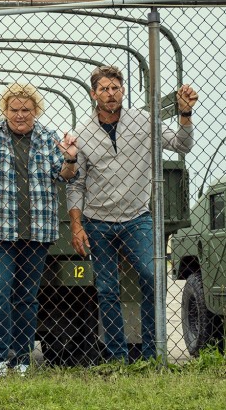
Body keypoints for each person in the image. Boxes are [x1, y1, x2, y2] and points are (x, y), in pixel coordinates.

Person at [67, 65, 198, 362]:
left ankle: (151, 355)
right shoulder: (82, 134)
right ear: (94, 94)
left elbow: (182, 144)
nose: (110, 94)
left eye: (115, 88)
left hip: (137, 217)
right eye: (104, 89)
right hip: (97, 220)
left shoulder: (144, 121)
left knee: (152, 277)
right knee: (107, 289)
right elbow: (75, 185)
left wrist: (185, 113)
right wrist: (76, 225)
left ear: (123, 91)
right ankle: (117, 357)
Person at [0, 82, 79, 377]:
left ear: (35, 110)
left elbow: (65, 176)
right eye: (14, 109)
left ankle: (22, 359)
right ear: (5, 110)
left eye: (26, 110)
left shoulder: (48, 137)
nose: (19, 115)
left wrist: (69, 157)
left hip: (37, 230)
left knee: (27, 296)